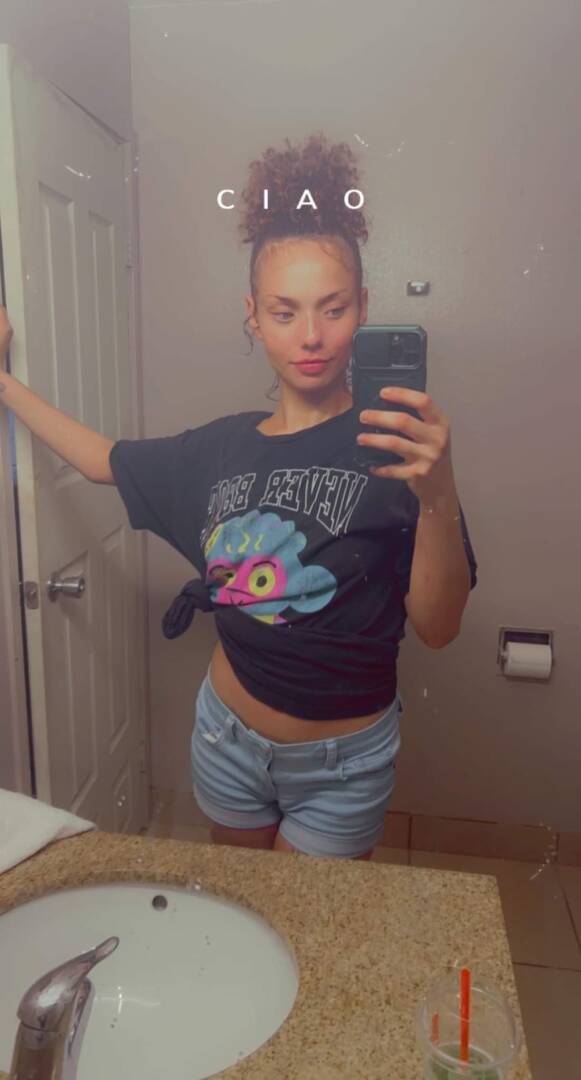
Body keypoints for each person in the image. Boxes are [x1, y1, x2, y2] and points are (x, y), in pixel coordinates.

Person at [0, 132, 477, 862]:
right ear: (252, 315)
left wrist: (438, 491)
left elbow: (438, 628)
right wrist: (2, 382)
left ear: (363, 308)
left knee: (303, 922)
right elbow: (101, 460)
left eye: (332, 308)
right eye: (284, 312)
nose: (310, 336)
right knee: (241, 906)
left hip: (343, 764)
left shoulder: (404, 449)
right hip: (226, 737)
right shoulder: (219, 448)